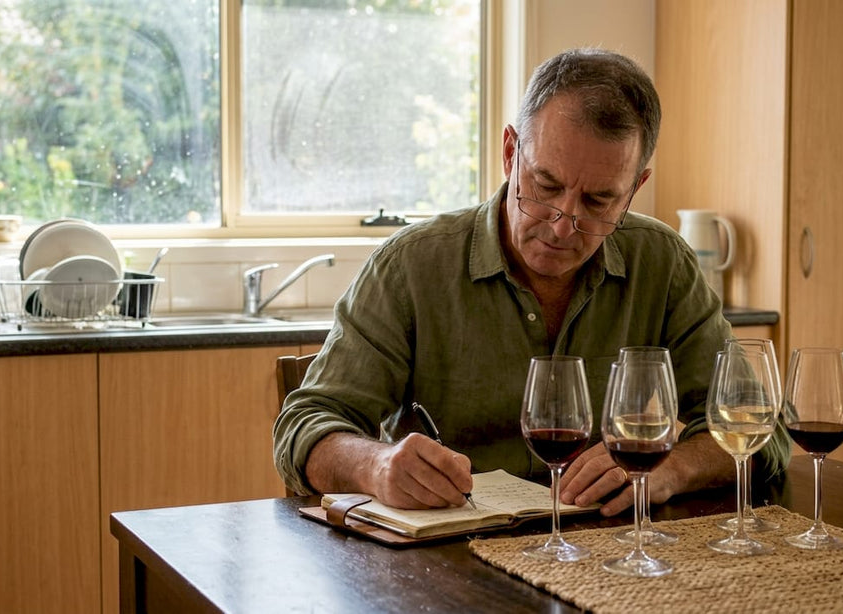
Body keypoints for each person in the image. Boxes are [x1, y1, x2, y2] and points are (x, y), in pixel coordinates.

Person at [273, 48, 790, 515]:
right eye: (545, 185)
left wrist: (670, 470)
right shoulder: (410, 265)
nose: (563, 224)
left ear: (635, 188)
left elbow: (762, 434)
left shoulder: (663, 263)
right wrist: (376, 465)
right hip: (449, 566)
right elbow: (304, 426)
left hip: (608, 559)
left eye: (598, 201)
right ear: (508, 153)